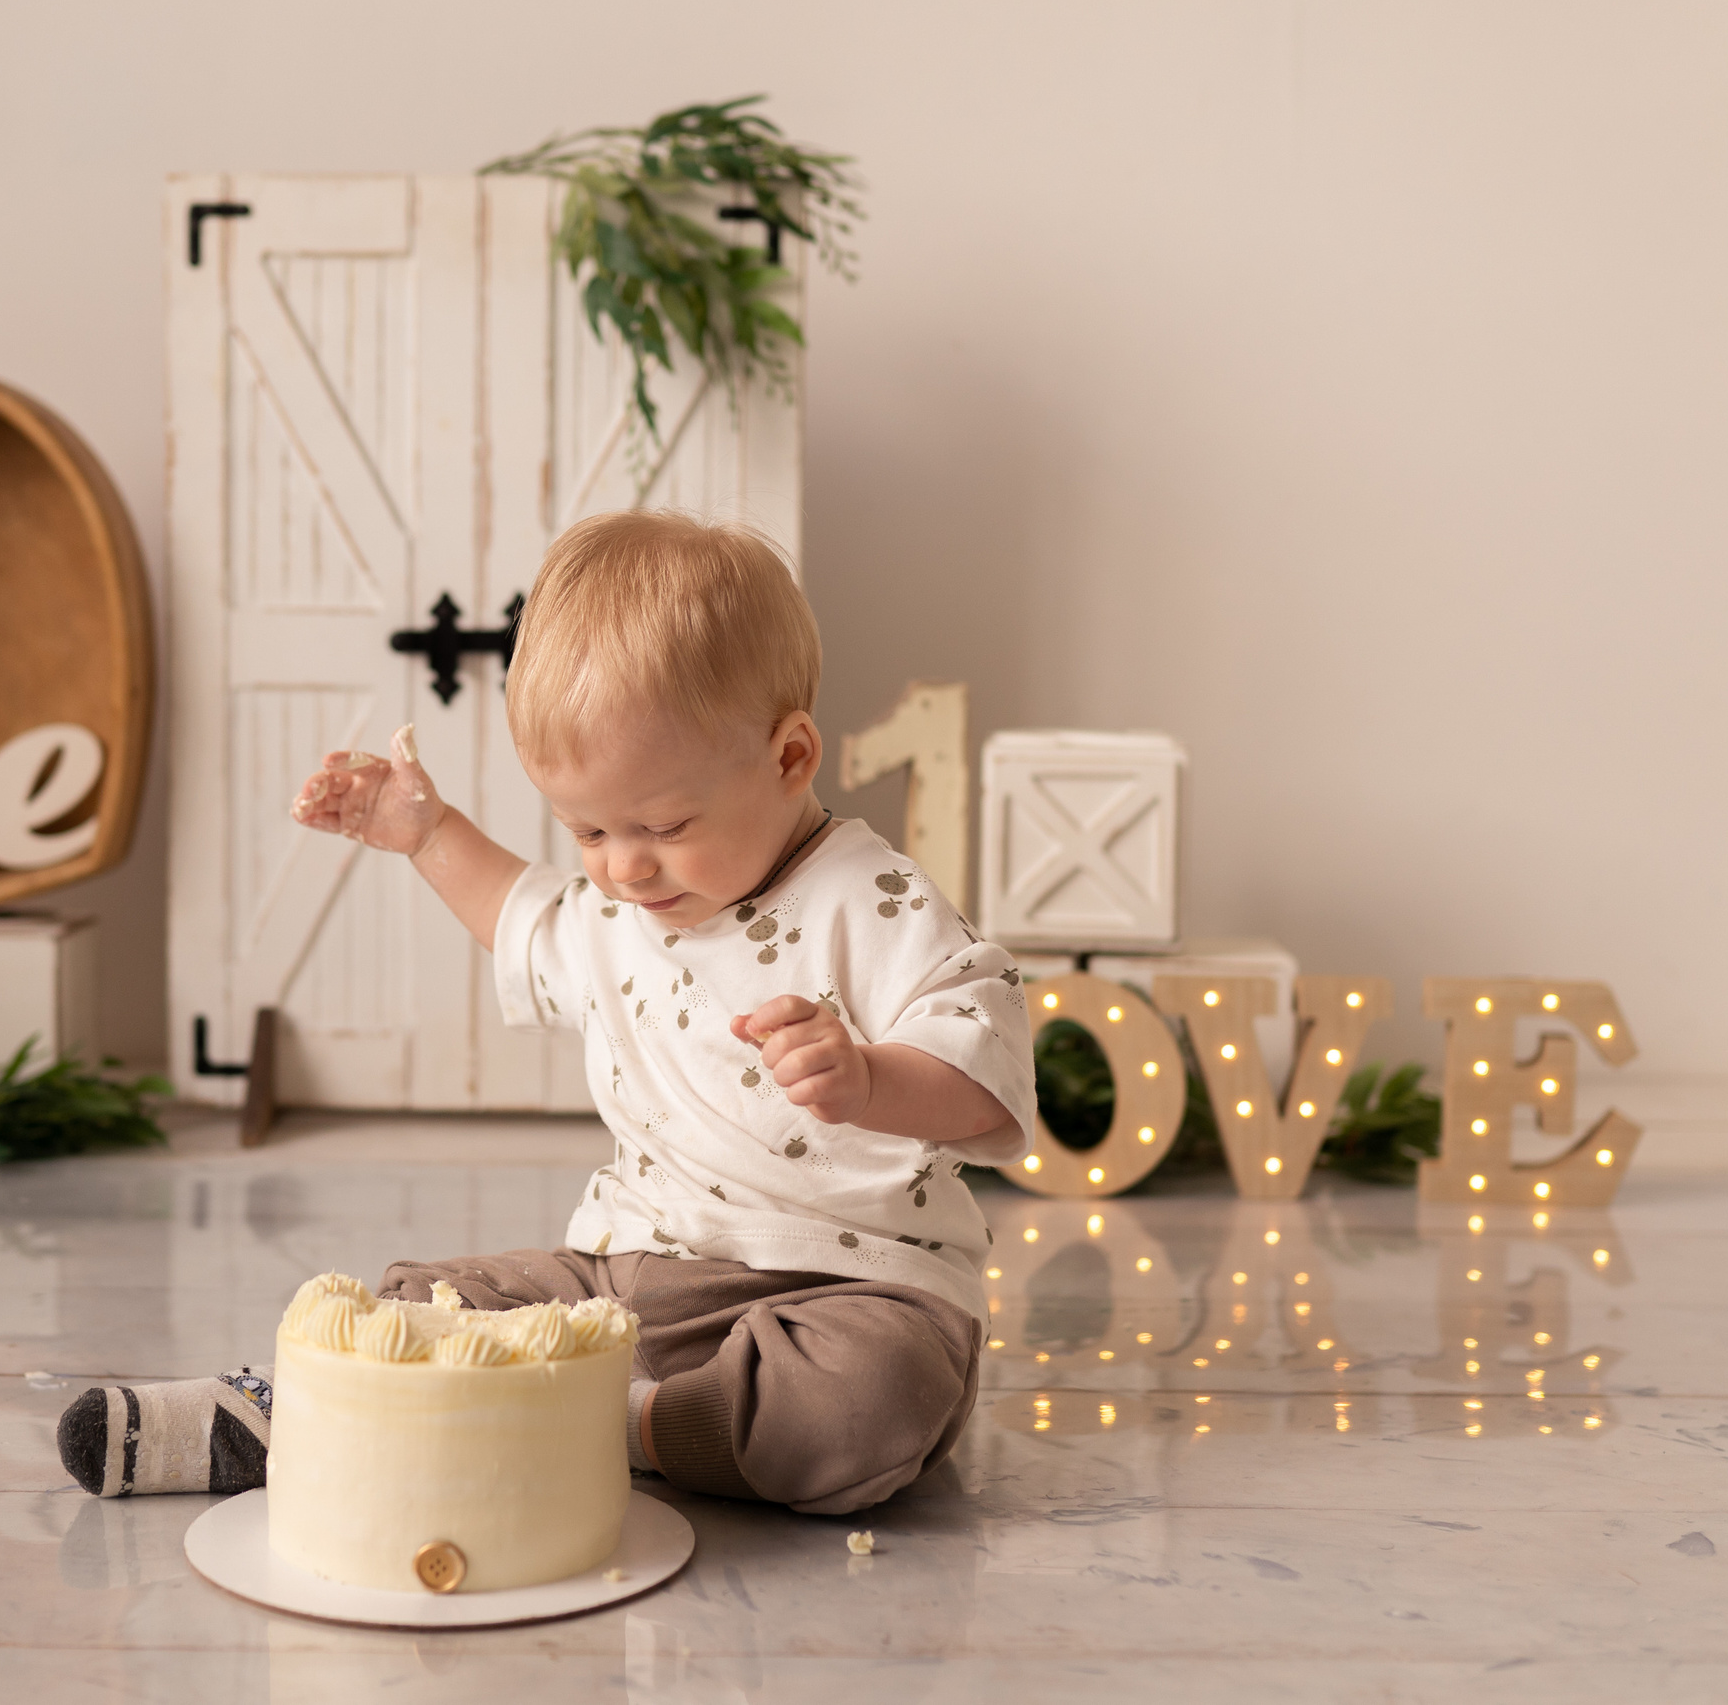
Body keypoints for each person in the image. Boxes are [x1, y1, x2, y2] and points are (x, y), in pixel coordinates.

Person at [57, 509, 1038, 1515]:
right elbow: (515, 909)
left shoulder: (872, 902)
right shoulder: (627, 905)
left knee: (865, 1408)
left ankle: (584, 1421)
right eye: (589, 829)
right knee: (423, 1303)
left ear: (790, 758)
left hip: (849, 1289)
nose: (623, 865)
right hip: (634, 1276)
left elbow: (986, 1086)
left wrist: (873, 1080)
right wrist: (425, 831)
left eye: (663, 825)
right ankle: (288, 1411)